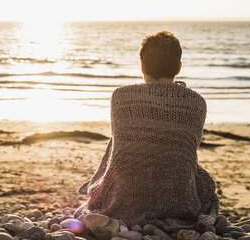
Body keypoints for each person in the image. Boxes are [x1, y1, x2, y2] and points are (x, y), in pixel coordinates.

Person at [74, 30, 219, 232]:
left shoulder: (121, 98)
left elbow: (120, 147)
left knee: (116, 142)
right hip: (178, 195)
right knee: (200, 179)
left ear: (142, 65)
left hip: (125, 194)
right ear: (178, 67)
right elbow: (185, 150)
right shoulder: (196, 103)